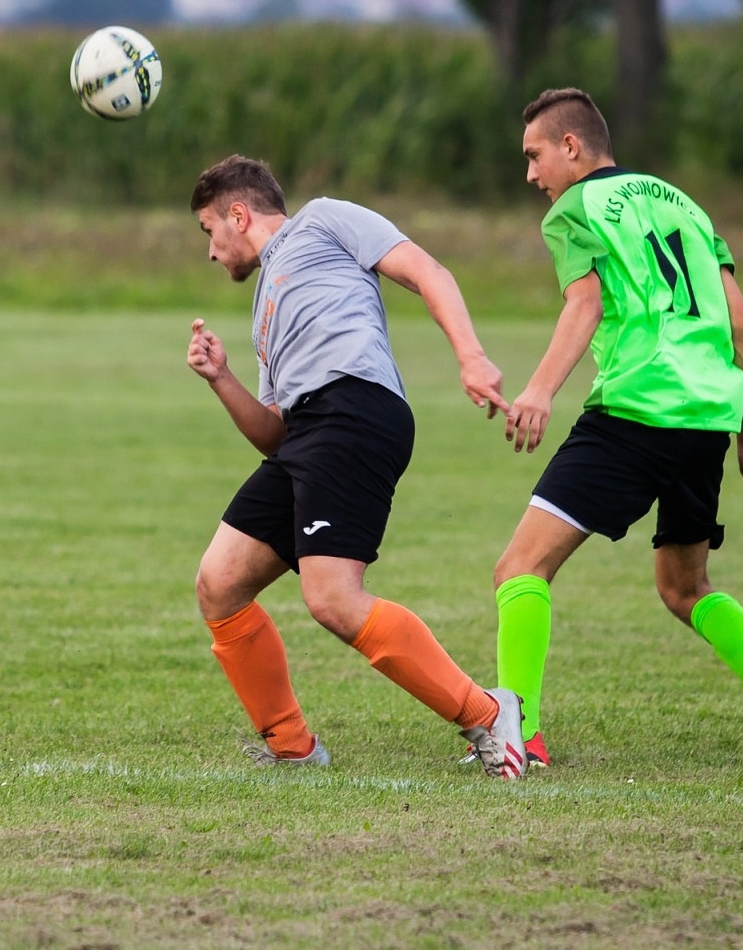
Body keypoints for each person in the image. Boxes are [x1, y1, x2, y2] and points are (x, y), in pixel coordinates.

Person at [488, 89, 743, 768]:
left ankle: (515, 736)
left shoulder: (573, 209)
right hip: (706, 418)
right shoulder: (686, 205)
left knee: (520, 567)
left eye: (534, 156)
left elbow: (583, 304)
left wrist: (539, 388)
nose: (531, 175)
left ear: (571, 147)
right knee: (683, 585)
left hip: (636, 410)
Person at [183, 155, 528, 778]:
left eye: (209, 230)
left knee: (334, 600)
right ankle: (293, 748)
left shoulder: (323, 221)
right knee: (220, 582)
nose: (211, 250)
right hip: (311, 433)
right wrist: (222, 379)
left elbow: (428, 271)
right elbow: (275, 435)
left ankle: (488, 713)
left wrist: (471, 357)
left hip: (355, 411)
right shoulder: (266, 308)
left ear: (239, 214)